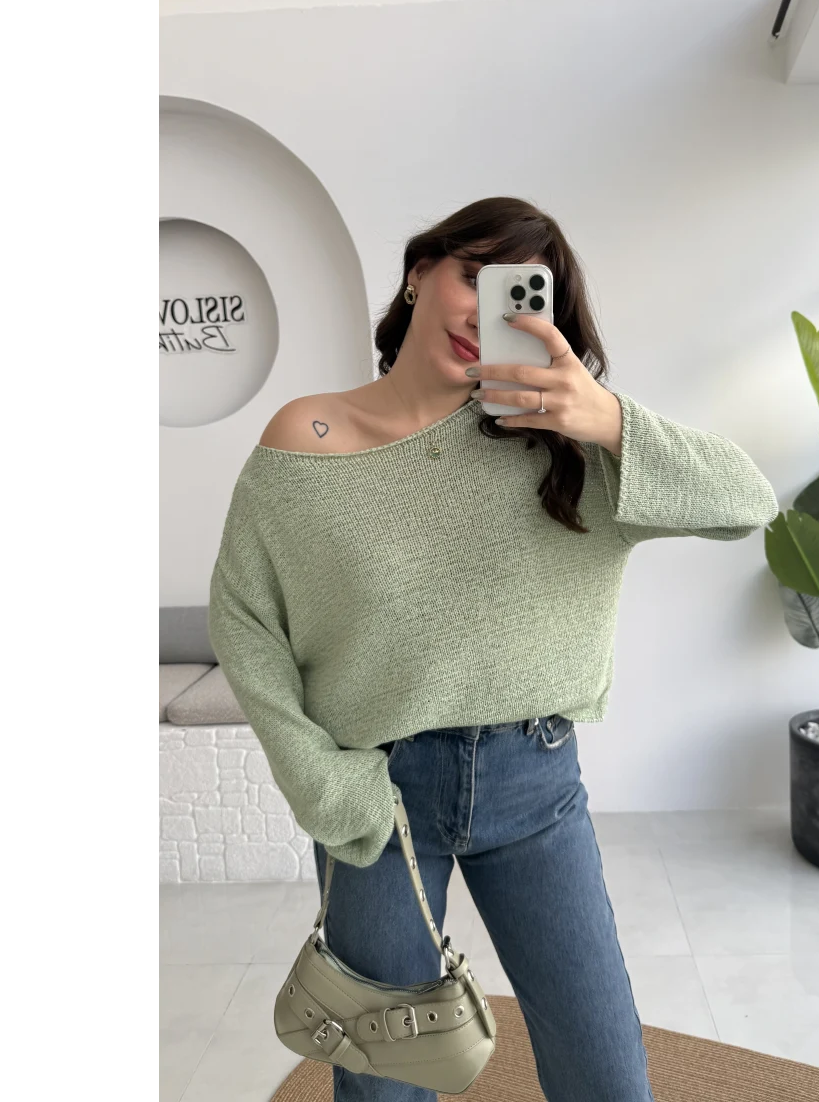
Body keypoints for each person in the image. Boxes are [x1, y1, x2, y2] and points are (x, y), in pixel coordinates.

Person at [207, 196, 780, 1101]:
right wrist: (318, 780)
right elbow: (245, 618)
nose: (487, 313)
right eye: (474, 277)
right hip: (378, 798)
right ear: (418, 273)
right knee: (386, 1085)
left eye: (519, 296)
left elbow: (748, 501)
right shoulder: (307, 439)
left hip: (536, 787)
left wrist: (607, 419)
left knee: (606, 1074)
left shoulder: (566, 448)